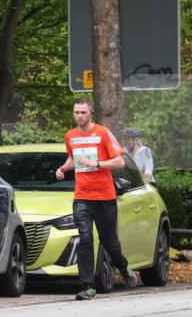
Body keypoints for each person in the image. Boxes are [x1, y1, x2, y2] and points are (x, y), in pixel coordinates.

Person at [55, 98, 137, 299]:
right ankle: (87, 286)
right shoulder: (70, 136)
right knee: (84, 238)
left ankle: (124, 268)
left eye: (83, 112)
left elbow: (119, 162)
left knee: (110, 242)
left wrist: (96, 163)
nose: (79, 116)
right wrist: (64, 168)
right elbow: (74, 158)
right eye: (76, 113)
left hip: (105, 196)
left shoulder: (102, 133)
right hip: (82, 196)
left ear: (91, 112)